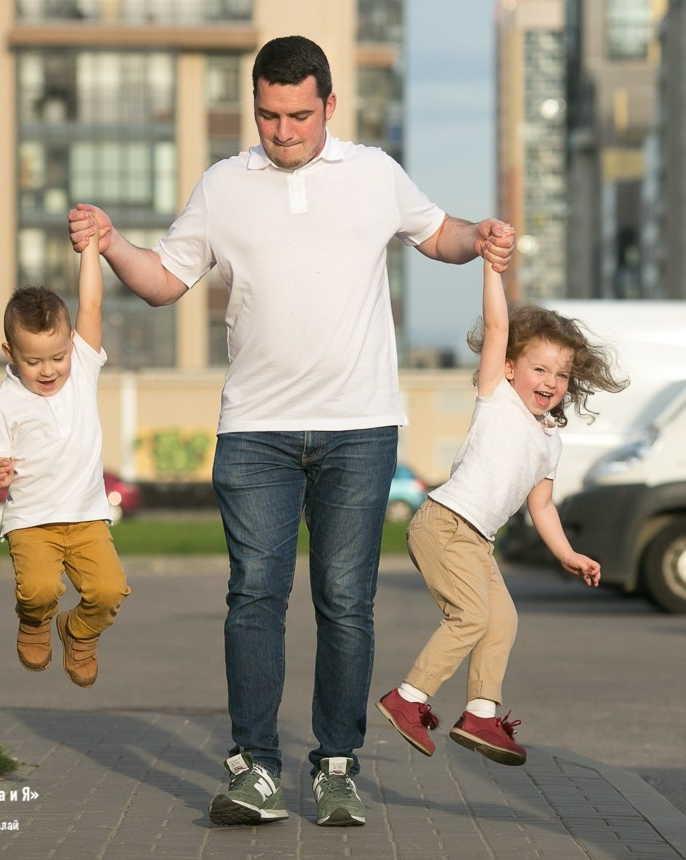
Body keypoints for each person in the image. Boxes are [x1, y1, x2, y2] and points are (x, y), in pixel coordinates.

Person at [66, 35, 515, 827]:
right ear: (255, 108)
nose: (284, 131)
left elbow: (436, 232)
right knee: (255, 599)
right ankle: (256, 771)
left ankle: (336, 765)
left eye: (300, 115)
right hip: (257, 432)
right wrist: (111, 242)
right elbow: (165, 282)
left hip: (361, 427)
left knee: (346, 600)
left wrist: (479, 235)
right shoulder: (223, 185)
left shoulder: (373, 172)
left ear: (330, 106)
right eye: (270, 116)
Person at [375, 252, 627, 767]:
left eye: (561, 375)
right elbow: (497, 324)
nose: (551, 382)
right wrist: (491, 266)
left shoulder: (549, 440)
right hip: (445, 524)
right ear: (511, 368)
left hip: (475, 539)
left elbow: (543, 507)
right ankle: (408, 698)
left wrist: (567, 554)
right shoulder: (497, 398)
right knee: (470, 617)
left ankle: (482, 714)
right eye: (539, 369)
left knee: (503, 619)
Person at [0, 217, 130, 689]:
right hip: (32, 521)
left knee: (108, 592)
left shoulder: (82, 367)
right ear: (10, 353)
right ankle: (36, 621)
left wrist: (90, 249)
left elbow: (91, 302)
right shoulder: (4, 401)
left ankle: (77, 633)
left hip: (86, 516)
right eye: (33, 361)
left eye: (57, 357)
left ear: (71, 347)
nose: (49, 370)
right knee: (40, 590)